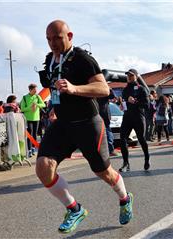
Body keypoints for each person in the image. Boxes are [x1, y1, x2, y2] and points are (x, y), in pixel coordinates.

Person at [37, 20, 133, 234]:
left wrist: (74, 88)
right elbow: (54, 86)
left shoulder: (82, 58)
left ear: (69, 36)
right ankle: (74, 209)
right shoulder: (50, 61)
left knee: (103, 172)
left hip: (88, 124)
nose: (53, 43)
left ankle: (125, 198)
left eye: (57, 38)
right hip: (62, 123)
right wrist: (54, 105)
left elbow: (103, 89)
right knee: (43, 167)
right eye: (49, 39)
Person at [119, 68, 150, 172]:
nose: (129, 77)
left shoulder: (141, 89)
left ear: (136, 76)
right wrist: (122, 106)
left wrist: (135, 102)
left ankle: (146, 159)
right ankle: (126, 163)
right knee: (122, 138)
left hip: (138, 117)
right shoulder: (125, 90)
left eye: (131, 75)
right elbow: (124, 102)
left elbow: (147, 105)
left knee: (141, 139)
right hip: (127, 117)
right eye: (128, 75)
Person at [20, 84, 45, 157]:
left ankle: (33, 148)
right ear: (30, 90)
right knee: (30, 134)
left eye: (36, 90)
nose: (36, 92)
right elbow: (22, 109)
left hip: (36, 118)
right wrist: (30, 107)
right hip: (28, 118)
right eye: (34, 90)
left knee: (35, 134)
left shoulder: (37, 96)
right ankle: (29, 150)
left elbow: (43, 105)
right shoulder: (24, 98)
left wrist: (36, 104)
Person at [97, 88, 118, 156]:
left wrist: (109, 89)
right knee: (106, 132)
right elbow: (112, 96)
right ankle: (109, 150)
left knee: (106, 132)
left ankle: (110, 150)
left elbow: (112, 96)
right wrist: (109, 89)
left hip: (101, 115)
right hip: (101, 115)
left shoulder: (101, 91)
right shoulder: (103, 91)